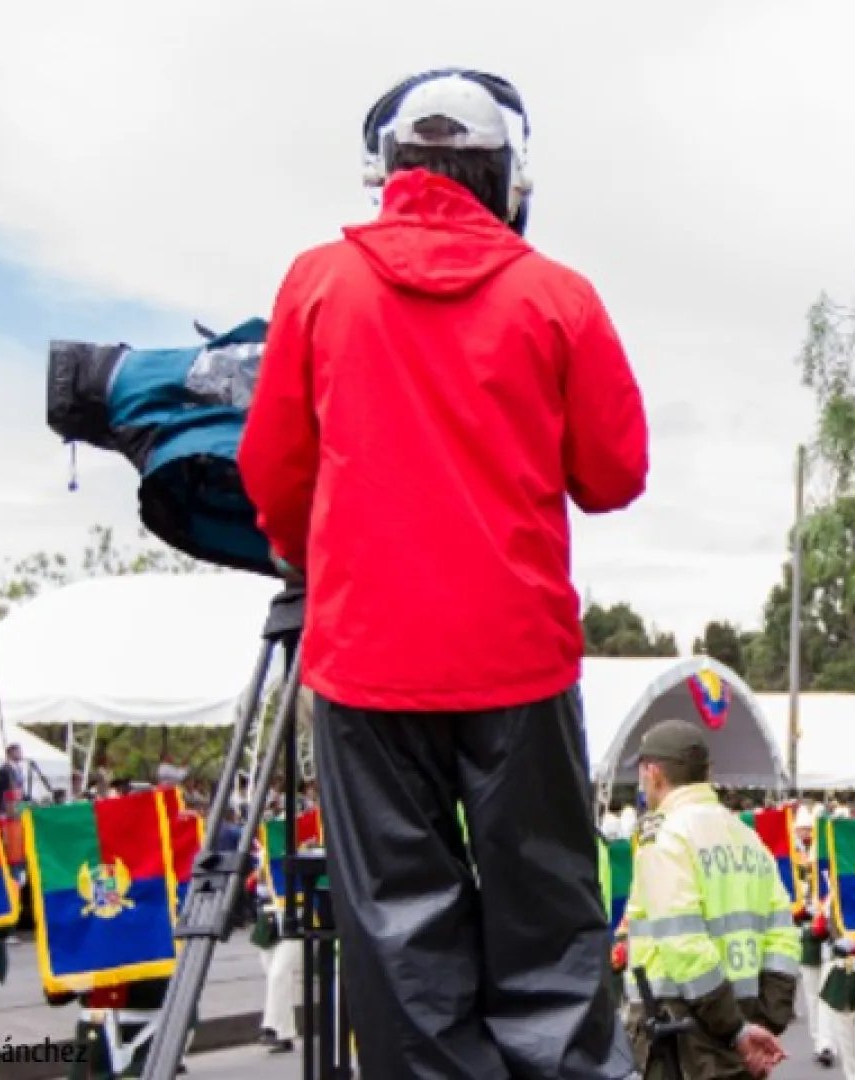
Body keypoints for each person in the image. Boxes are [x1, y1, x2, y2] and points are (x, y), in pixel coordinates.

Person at [238, 69, 648, 1080]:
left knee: (405, 949)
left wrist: (314, 550)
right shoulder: (559, 297)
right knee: (549, 934)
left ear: (386, 172)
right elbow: (615, 471)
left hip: (365, 663)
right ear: (511, 179)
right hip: (518, 662)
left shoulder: (319, 284)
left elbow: (274, 472)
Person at [623, 720, 796, 1079]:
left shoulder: (665, 837)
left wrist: (734, 1029)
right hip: (744, 1025)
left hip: (684, 1036)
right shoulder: (748, 838)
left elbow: (683, 944)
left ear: (653, 773)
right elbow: (783, 937)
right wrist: (762, 1023)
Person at [0, 745, 26, 817]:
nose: (21, 754)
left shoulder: (19, 769)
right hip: (6, 807)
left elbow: (20, 787)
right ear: (11, 753)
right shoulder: (4, 769)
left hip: (18, 805)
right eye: (19, 752)